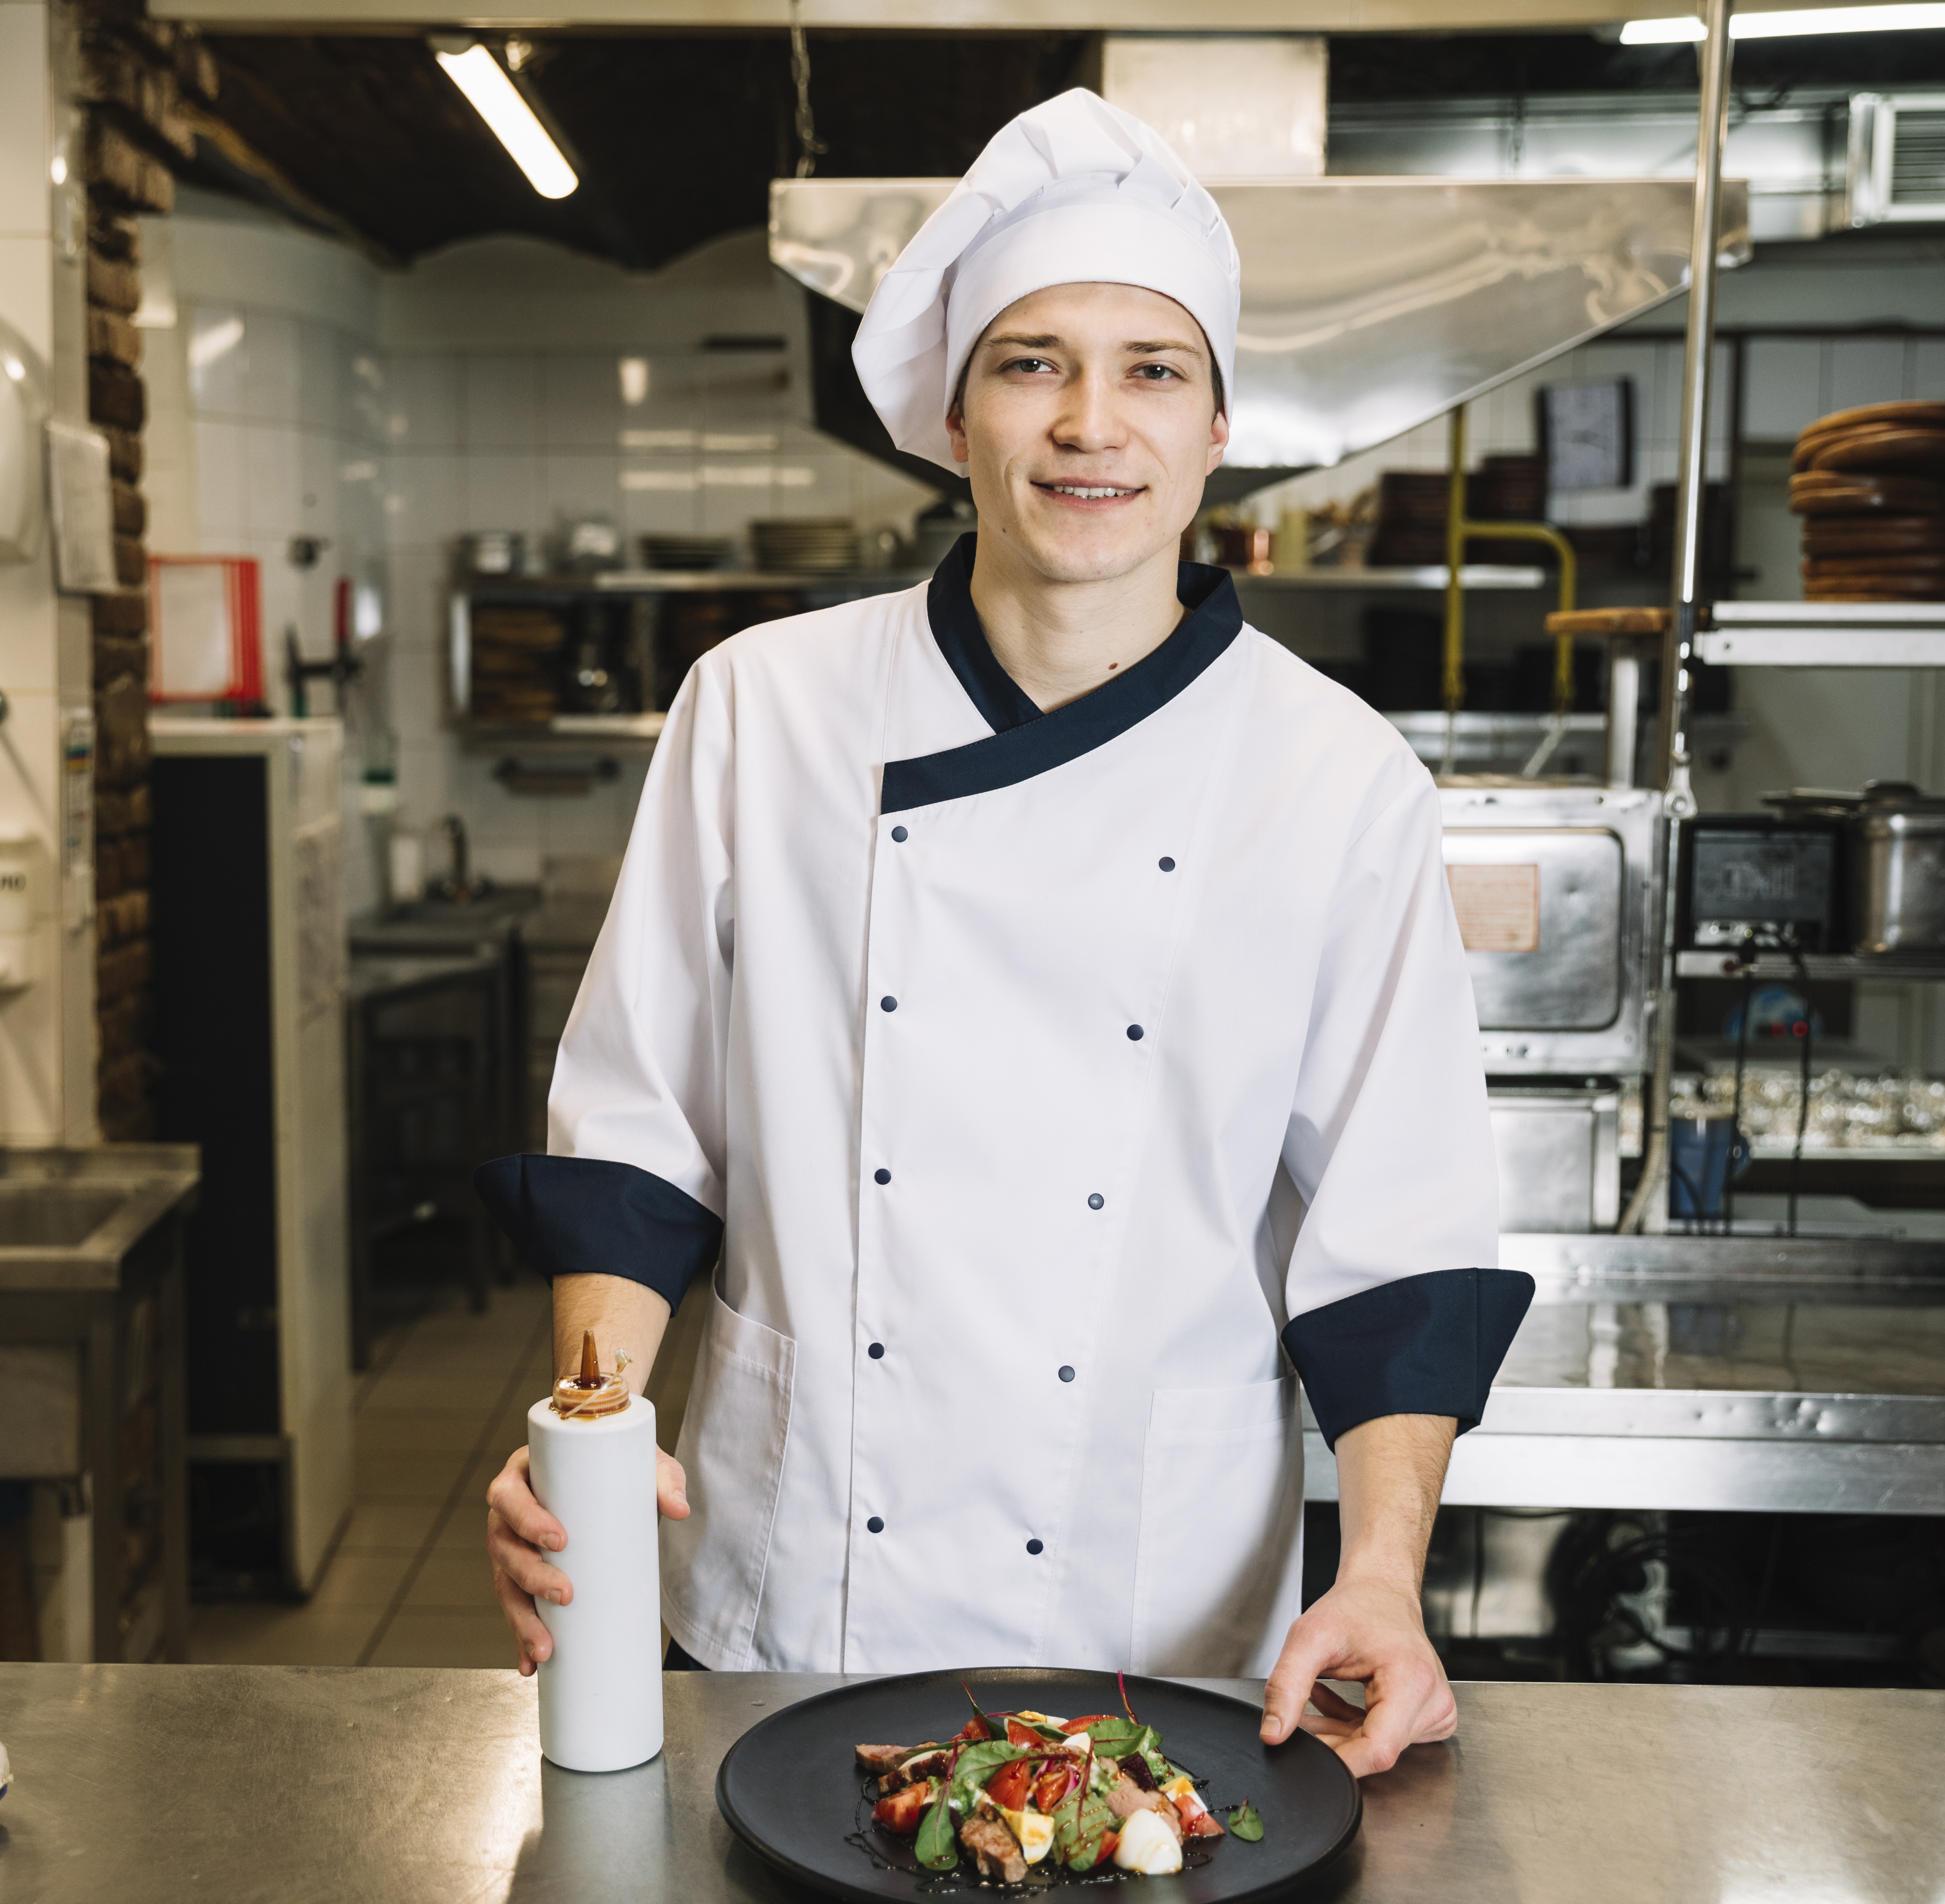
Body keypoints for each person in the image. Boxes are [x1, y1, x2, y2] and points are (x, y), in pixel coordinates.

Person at [478, 88, 1530, 1778]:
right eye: (1034, 363)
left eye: (1152, 369)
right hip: (795, 1586)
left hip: (1160, 1610)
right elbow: (632, 1144)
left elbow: (1401, 1246)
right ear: (956, 415)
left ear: (1217, 424)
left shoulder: (1337, 777)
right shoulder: (760, 708)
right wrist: (588, 1440)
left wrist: (1385, 1581)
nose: (1090, 423)